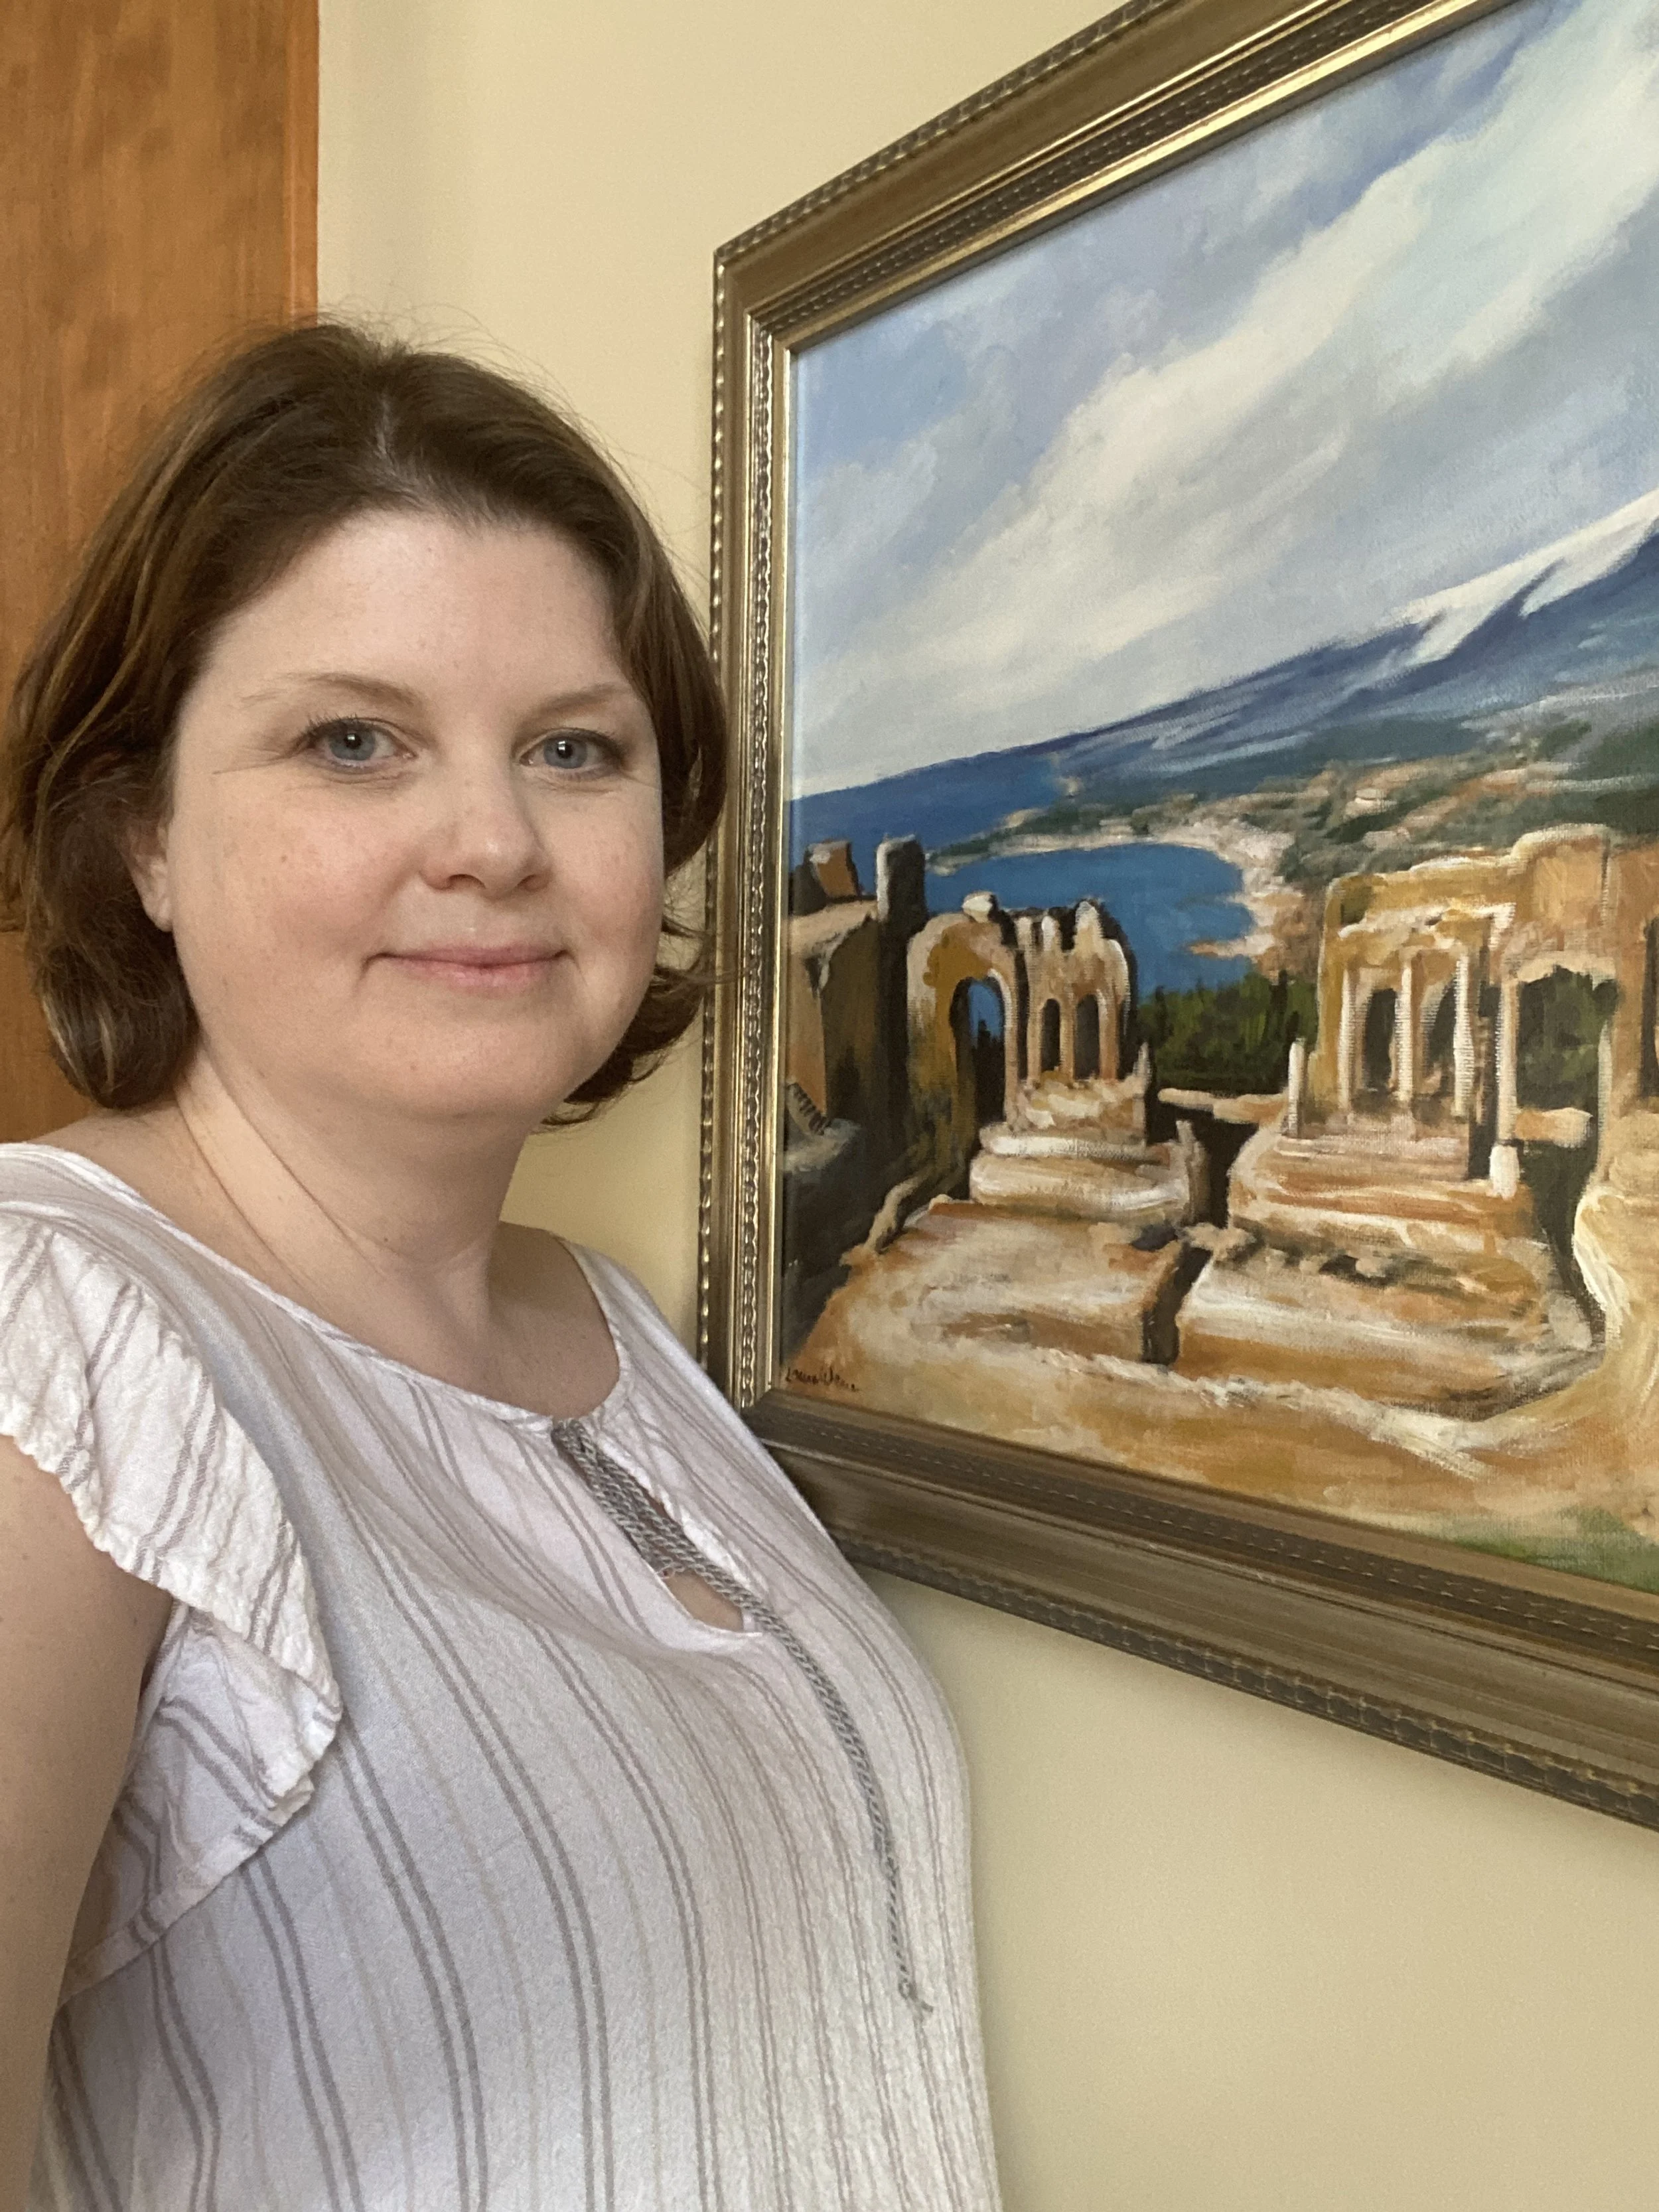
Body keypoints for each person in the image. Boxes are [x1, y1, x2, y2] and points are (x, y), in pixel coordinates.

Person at [0, 323, 1001, 2211]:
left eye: (572, 747)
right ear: (140, 830)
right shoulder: (48, 1343)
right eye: (352, 740)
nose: (492, 840)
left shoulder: (614, 1330)